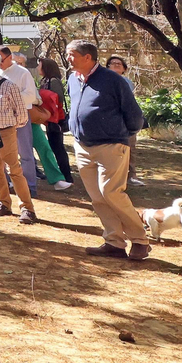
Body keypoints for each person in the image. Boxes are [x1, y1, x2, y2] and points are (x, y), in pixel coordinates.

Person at [66, 40, 150, 259]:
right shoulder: (72, 80)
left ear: (87, 57)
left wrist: (123, 135)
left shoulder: (113, 80)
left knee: (112, 193)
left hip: (111, 145)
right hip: (83, 146)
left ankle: (140, 240)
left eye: (72, 54)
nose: (68, 59)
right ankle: (114, 242)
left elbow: (133, 114)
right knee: (98, 198)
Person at [0, 49, 39, 224]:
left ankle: (27, 208)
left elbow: (22, 114)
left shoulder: (9, 85)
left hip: (6, 131)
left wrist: (10, 129)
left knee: (14, 169)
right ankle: (4, 203)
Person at [14, 51, 69, 189]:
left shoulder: (27, 77)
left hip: (30, 118)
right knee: (13, 153)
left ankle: (57, 179)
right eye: (16, 62)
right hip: (8, 120)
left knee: (44, 147)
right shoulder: (2, 77)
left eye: (21, 63)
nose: (18, 65)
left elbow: (36, 98)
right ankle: (12, 180)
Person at [0, 45, 42, 192]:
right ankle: (5, 184)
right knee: (1, 153)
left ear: (10, 58)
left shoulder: (23, 73)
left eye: (1, 60)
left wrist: (9, 98)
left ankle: (29, 186)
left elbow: (31, 95)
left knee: (25, 152)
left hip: (20, 115)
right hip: (0, 117)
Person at [105, 56, 144, 186]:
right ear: (108, 66)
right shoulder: (103, 81)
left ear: (124, 69)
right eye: (112, 63)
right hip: (109, 120)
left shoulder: (127, 82)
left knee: (130, 148)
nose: (116, 65)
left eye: (119, 64)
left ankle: (131, 176)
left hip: (126, 120)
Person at [36, 56, 74, 188]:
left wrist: (53, 118)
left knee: (58, 148)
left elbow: (58, 101)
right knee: (54, 146)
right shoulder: (44, 81)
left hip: (56, 119)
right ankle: (61, 175)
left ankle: (67, 175)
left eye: (39, 65)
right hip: (49, 119)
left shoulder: (53, 81)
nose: (37, 68)